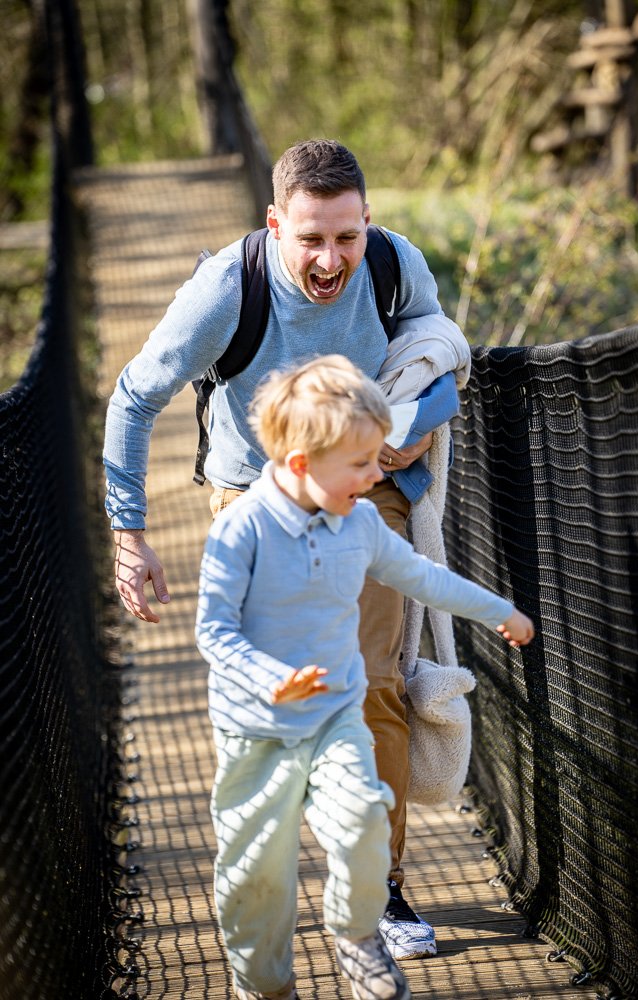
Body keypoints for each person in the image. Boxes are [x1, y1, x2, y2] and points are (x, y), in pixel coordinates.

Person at [104, 138, 472, 960]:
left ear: (367, 220)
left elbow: (441, 353)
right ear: (275, 226)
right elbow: (133, 396)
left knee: (369, 684)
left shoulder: (394, 264)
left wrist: (417, 424)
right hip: (254, 498)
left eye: (346, 236)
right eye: (311, 239)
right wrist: (130, 537)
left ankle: (377, 888)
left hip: (365, 488)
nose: (331, 260)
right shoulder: (225, 289)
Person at [196, 356, 534, 1000]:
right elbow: (216, 632)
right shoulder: (242, 530)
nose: (378, 475)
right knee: (254, 874)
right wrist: (271, 680)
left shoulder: (358, 522)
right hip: (258, 732)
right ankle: (263, 984)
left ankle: (358, 937)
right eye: (361, 464)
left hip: (338, 721)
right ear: (303, 465)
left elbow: (421, 576)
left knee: (362, 826)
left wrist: (498, 610)